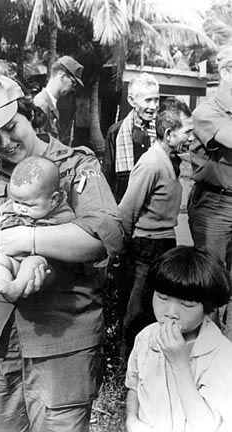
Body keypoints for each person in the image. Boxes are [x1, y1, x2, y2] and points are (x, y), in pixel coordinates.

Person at [0, 72, 124, 432]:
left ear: (30, 113)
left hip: (60, 337)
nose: (4, 142)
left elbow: (105, 235)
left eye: (11, 126)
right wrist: (1, 280)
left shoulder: (77, 166)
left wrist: (28, 241)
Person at [125, 246, 232, 432]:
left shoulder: (221, 355)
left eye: (187, 304)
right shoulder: (146, 337)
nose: (171, 313)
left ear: (209, 309)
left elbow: (206, 426)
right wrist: (132, 419)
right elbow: (134, 386)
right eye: (162, 297)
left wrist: (179, 363)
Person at [118, 98, 194, 357]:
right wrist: (124, 251)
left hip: (164, 244)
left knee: (157, 309)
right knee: (137, 311)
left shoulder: (172, 159)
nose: (192, 137)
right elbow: (126, 211)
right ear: (169, 133)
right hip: (146, 246)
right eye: (187, 132)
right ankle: (124, 367)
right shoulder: (150, 163)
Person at [0, 156, 75, 301]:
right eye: (16, 201)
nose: (20, 209)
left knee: (32, 263)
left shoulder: (63, 216)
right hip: (11, 260)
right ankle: (2, 285)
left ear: (53, 199)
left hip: (40, 266)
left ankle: (16, 288)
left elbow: (69, 242)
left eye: (29, 205)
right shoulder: (9, 208)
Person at [188, 46, 232, 341]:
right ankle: (206, 353)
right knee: (210, 283)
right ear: (226, 72)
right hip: (215, 204)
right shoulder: (207, 111)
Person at [103, 73, 159, 204]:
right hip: (124, 203)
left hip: (153, 205)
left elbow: (173, 171)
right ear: (132, 101)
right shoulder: (115, 132)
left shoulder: (162, 129)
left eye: (156, 100)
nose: (153, 106)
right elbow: (108, 177)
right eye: (148, 100)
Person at [34, 55, 84, 142]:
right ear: (61, 74)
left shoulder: (50, 104)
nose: (73, 88)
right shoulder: (41, 105)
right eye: (73, 82)